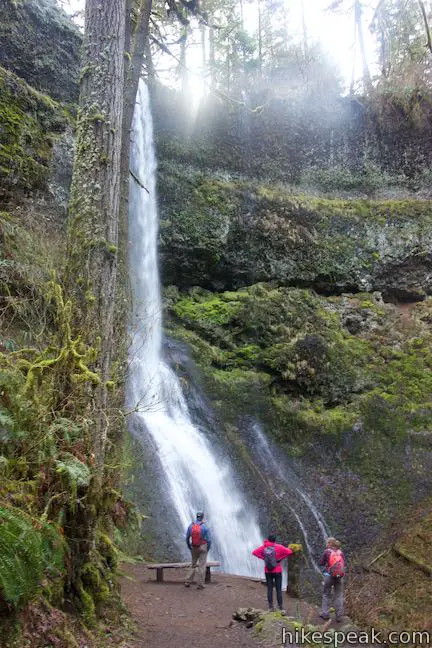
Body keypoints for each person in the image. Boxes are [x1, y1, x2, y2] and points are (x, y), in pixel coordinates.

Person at [252, 533, 293, 612]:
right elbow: (289, 552)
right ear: (275, 540)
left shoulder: (264, 547)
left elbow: (254, 552)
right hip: (277, 570)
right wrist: (280, 558)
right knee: (278, 589)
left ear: (268, 539)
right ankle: (280, 607)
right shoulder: (279, 547)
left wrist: (263, 558)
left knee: (269, 588)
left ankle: (270, 607)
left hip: (268, 570)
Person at [319, 537, 345, 622]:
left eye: (327, 543)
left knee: (326, 594)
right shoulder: (340, 552)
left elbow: (321, 563)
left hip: (328, 575)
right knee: (339, 595)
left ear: (329, 543)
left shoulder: (327, 552)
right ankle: (339, 616)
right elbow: (343, 563)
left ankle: (325, 614)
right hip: (339, 576)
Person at [184, 511, 211, 589]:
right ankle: (200, 584)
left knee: (193, 564)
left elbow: (187, 538)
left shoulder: (190, 526)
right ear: (202, 517)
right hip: (203, 547)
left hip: (194, 547)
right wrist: (207, 548)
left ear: (196, 517)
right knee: (202, 566)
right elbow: (209, 540)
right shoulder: (205, 527)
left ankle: (187, 581)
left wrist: (189, 546)